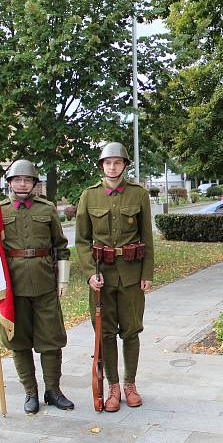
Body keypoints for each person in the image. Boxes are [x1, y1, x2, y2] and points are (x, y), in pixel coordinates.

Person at [0, 159, 73, 414]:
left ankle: (53, 390)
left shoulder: (47, 209)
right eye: (17, 179)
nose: (22, 183)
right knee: (19, 342)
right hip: (13, 287)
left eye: (28, 180)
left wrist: (63, 279)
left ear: (35, 184)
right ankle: (30, 392)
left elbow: (61, 247)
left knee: (51, 341)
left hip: (45, 284)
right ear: (9, 183)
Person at [76, 142, 154, 411]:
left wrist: (147, 274)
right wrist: (89, 274)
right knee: (105, 334)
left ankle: (130, 384)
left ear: (124, 165)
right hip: (102, 277)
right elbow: (82, 241)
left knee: (131, 332)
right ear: (102, 166)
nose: (112, 167)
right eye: (108, 163)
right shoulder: (89, 196)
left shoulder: (138, 194)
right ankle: (112, 387)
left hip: (131, 275)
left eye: (117, 162)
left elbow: (147, 238)